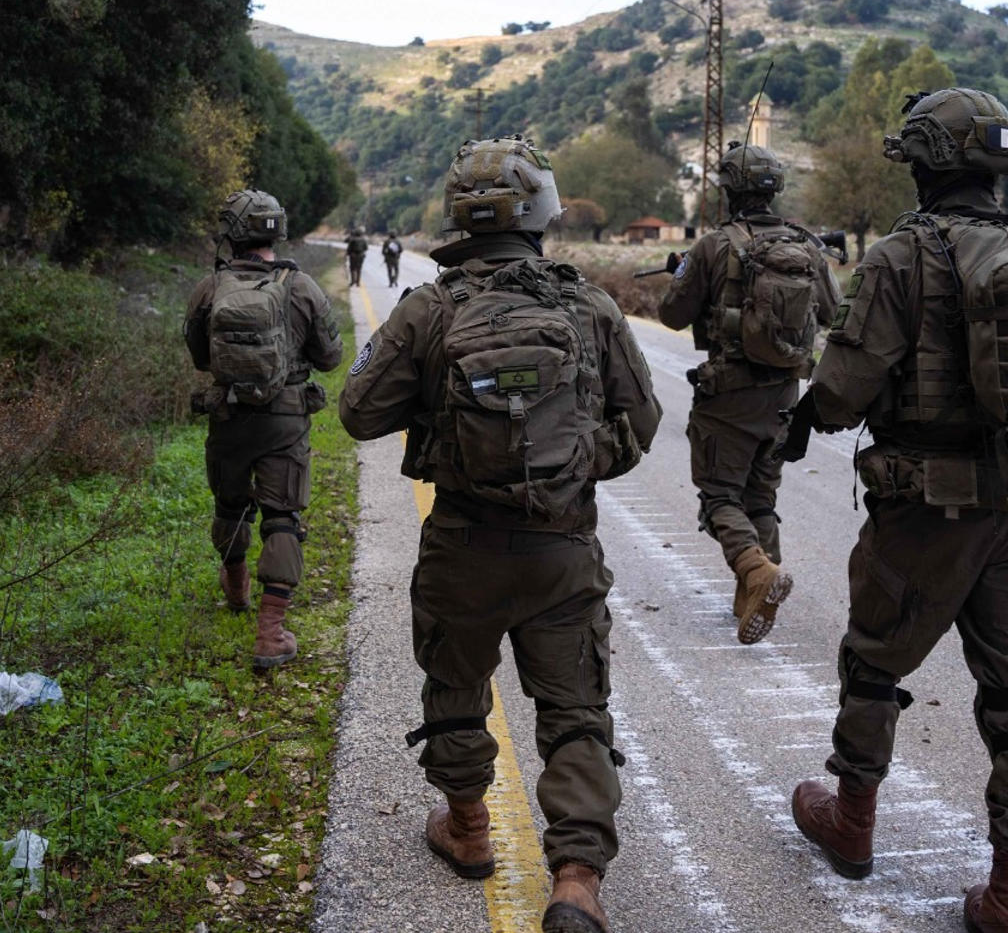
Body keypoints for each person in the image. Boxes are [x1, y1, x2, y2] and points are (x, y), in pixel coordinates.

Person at [783, 89, 1008, 932]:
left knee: (873, 666)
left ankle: (851, 822)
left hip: (925, 511)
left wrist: (798, 423)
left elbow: (843, 387)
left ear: (926, 160)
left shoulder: (901, 255)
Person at [340, 136, 662, 933]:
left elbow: (356, 413)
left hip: (463, 542)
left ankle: (470, 826)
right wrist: (580, 461)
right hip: (562, 547)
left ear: (459, 213)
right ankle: (578, 880)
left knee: (455, 688)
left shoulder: (431, 306)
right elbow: (642, 419)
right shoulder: (588, 304)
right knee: (575, 707)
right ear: (544, 208)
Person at [657, 141, 839, 645]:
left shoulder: (714, 245)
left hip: (728, 394)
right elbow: (834, 313)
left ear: (728, 190)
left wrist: (684, 272)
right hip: (783, 392)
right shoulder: (807, 247)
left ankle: (756, 571)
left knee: (719, 494)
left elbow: (671, 314)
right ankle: (753, 591)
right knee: (761, 496)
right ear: (775, 187)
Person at [183, 190, 345, 671]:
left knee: (230, 505)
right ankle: (271, 634)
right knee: (282, 517)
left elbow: (198, 356)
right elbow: (331, 357)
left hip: (229, 418)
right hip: (285, 420)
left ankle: (236, 588)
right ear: (279, 230)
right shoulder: (302, 287)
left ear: (230, 234)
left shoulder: (209, 288)